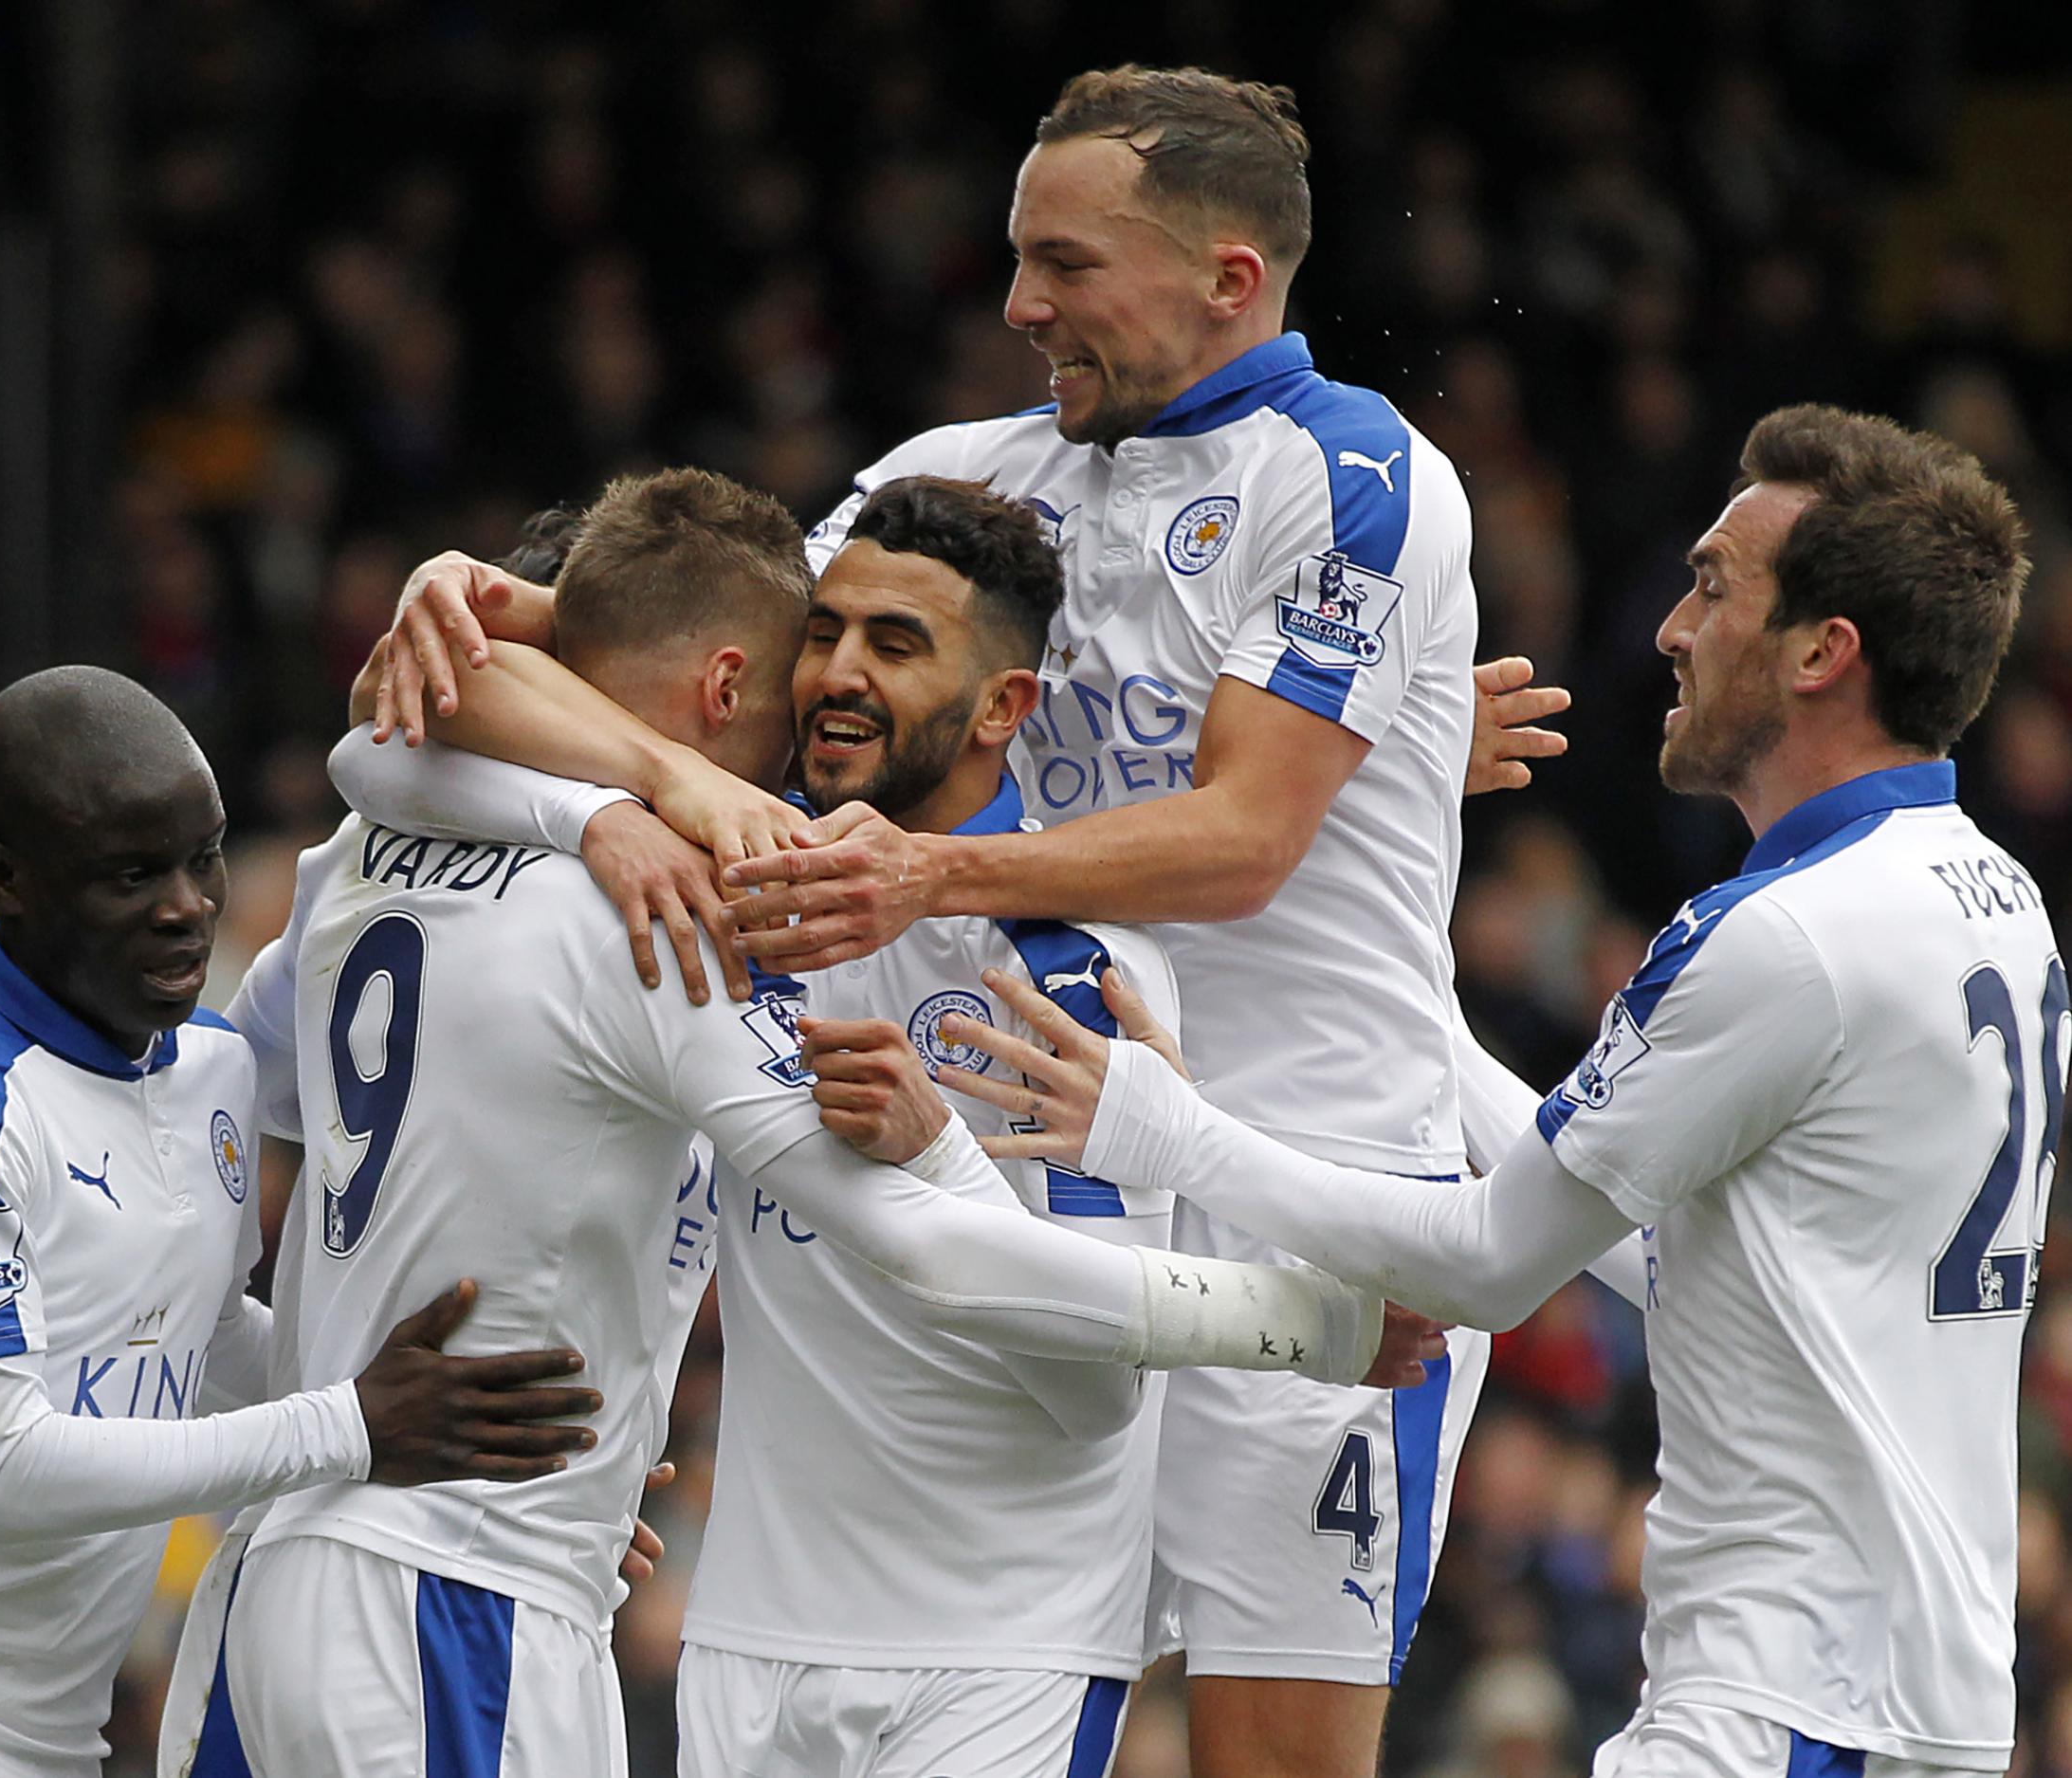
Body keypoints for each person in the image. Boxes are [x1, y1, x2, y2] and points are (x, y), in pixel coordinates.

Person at [365, 66, 1565, 1778]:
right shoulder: (961, 483)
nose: (1020, 305)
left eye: (1068, 265)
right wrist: (636, 778)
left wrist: (930, 875)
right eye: (1019, 258)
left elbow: (1240, 842)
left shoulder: (1362, 474)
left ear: (1229, 279)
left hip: (1296, 1194)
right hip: (1009, 1157)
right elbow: (562, 669)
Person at [182, 469, 1413, 1777]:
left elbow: (375, 751)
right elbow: (938, 1248)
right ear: (725, 685)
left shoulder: (380, 847)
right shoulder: (681, 910)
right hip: (486, 1597)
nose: (827, 683)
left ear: (1003, 703)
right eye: (812, 643)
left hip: (965, 1652)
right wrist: (1315, 1320)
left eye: (891, 643)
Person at [941, 405, 2042, 1778]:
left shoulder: (1782, 939)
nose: (1670, 630)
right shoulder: (1990, 896)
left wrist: (1166, 1128)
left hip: (1790, 1703)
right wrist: (1383, 830)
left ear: (1824, 653)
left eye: (1712, 587)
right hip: (1913, 1686)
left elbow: (1485, 1261)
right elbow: (1694, 1253)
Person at [0, 668, 608, 1778]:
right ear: (6, 877)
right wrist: (357, 1426)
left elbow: (205, 1334)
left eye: (204, 855)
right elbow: (6, 1465)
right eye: (133, 873)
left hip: (54, 1732)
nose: (188, 904)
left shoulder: (216, 1070)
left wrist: (475, 1439)